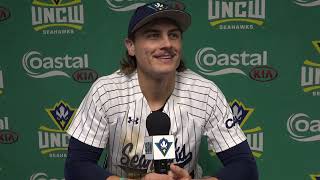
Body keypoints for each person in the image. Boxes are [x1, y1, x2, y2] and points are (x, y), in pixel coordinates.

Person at [64, 1, 259, 180]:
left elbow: (245, 166)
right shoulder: (106, 92)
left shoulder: (205, 93)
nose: (167, 44)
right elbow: (77, 165)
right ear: (131, 46)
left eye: (173, 35)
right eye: (153, 35)